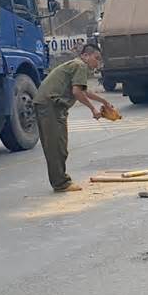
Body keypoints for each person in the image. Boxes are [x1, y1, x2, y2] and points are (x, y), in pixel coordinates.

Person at [34, 44, 114, 192]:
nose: (97, 63)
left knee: (58, 145)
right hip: (51, 105)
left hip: (49, 105)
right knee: (56, 147)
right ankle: (61, 183)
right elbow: (77, 92)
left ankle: (60, 181)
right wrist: (93, 109)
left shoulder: (76, 65)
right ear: (85, 56)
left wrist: (104, 102)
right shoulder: (80, 66)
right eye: (96, 58)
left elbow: (84, 90)